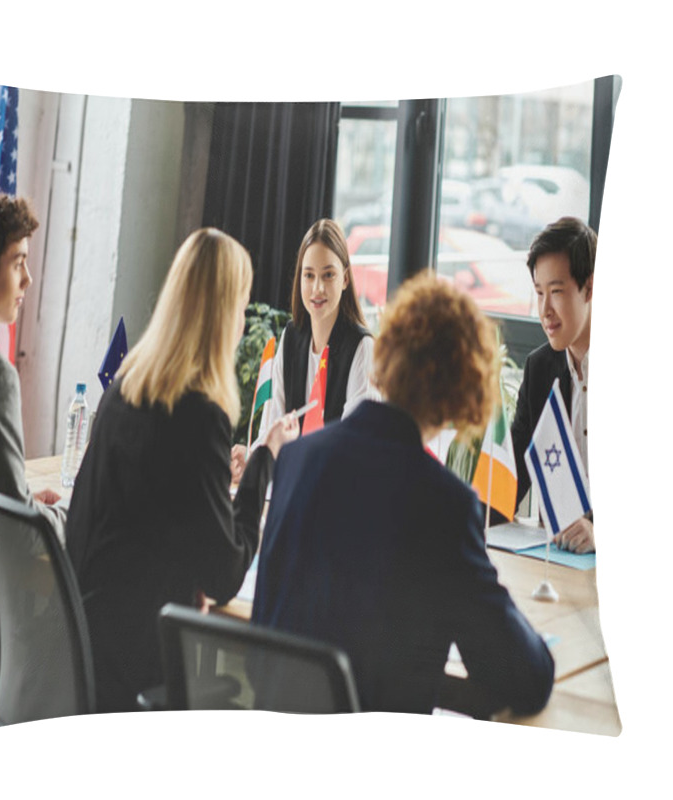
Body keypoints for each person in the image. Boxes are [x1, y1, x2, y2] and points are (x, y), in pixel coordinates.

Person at [252, 273, 555, 716]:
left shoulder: (297, 459)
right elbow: (524, 678)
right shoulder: (445, 506)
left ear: (387, 357)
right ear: (464, 388)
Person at [65, 228, 299, 714]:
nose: (242, 320)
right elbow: (224, 574)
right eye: (240, 305)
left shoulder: (127, 384)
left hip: (85, 650)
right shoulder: (199, 413)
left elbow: (149, 516)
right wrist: (265, 461)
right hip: (138, 666)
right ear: (222, 314)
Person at [230, 218, 379, 481]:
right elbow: (271, 427)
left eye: (328, 275)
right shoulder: (290, 338)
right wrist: (252, 460)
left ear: (345, 279)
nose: (317, 288)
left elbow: (353, 446)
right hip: (294, 487)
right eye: (309, 275)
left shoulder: (361, 347)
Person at [0, 193, 66, 542]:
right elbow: (19, 527)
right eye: (17, 263)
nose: (27, 279)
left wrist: (29, 500)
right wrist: (69, 514)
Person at [511, 217, 596, 553]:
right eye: (539, 293)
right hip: (555, 565)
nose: (545, 310)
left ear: (590, 287)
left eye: (557, 292)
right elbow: (512, 473)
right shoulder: (540, 368)